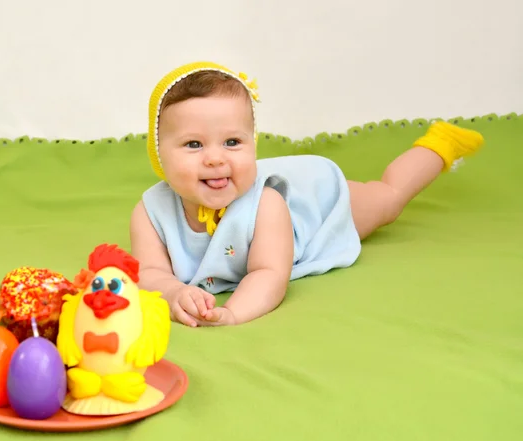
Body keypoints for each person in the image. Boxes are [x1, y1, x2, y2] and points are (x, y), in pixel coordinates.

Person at [129, 61, 484, 328]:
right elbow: (150, 272)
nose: (216, 158)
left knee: (387, 199)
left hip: (314, 211)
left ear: (253, 143)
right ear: (159, 153)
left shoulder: (267, 203)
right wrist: (174, 293)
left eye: (233, 142)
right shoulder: (151, 212)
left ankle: (440, 146)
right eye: (193, 144)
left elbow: (268, 272)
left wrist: (233, 312)